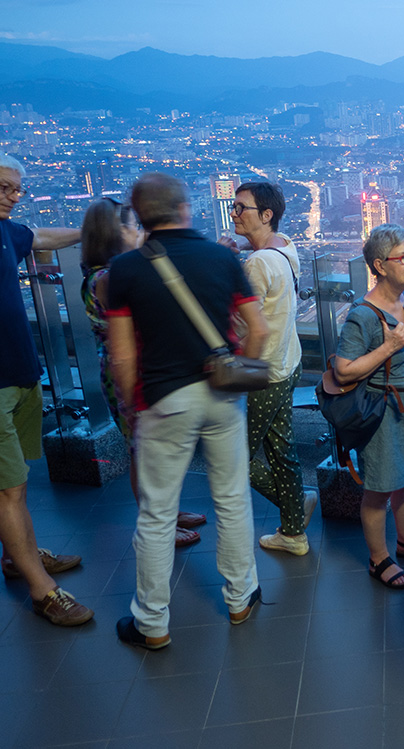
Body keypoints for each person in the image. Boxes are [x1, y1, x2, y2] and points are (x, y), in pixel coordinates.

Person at [107, 172, 268, 649]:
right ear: (186, 209)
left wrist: (135, 405)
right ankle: (241, 598)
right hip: (221, 394)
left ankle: (152, 623)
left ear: (140, 216)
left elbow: (121, 356)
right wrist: (243, 371)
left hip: (164, 398)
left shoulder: (126, 270)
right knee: (232, 498)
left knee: (157, 513)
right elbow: (257, 329)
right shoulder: (222, 257)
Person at [79, 197, 207, 547]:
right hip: (127, 370)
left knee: (155, 448)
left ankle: (169, 511)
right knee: (144, 450)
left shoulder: (109, 273)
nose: (140, 232)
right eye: (134, 226)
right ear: (115, 232)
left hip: (139, 364)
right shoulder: (107, 278)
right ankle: (158, 525)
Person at [0, 153, 90, 626]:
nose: (14, 197)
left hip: (19, 373)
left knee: (13, 485)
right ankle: (42, 591)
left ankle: (22, 555)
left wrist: (91, 233)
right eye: (4, 188)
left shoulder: (6, 231)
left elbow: (41, 238)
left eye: (17, 188)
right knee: (9, 489)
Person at [331, 224, 404, 588]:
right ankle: (378, 560)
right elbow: (343, 369)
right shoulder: (363, 315)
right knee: (378, 488)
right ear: (379, 265)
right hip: (382, 411)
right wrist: (388, 347)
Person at [223, 181, 314, 555]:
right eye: (233, 206)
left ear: (266, 215)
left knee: (233, 459)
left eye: (241, 208)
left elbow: (247, 323)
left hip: (263, 373)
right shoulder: (285, 246)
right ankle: (293, 532)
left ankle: (294, 511)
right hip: (287, 363)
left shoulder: (258, 264)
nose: (233, 213)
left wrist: (236, 376)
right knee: (281, 448)